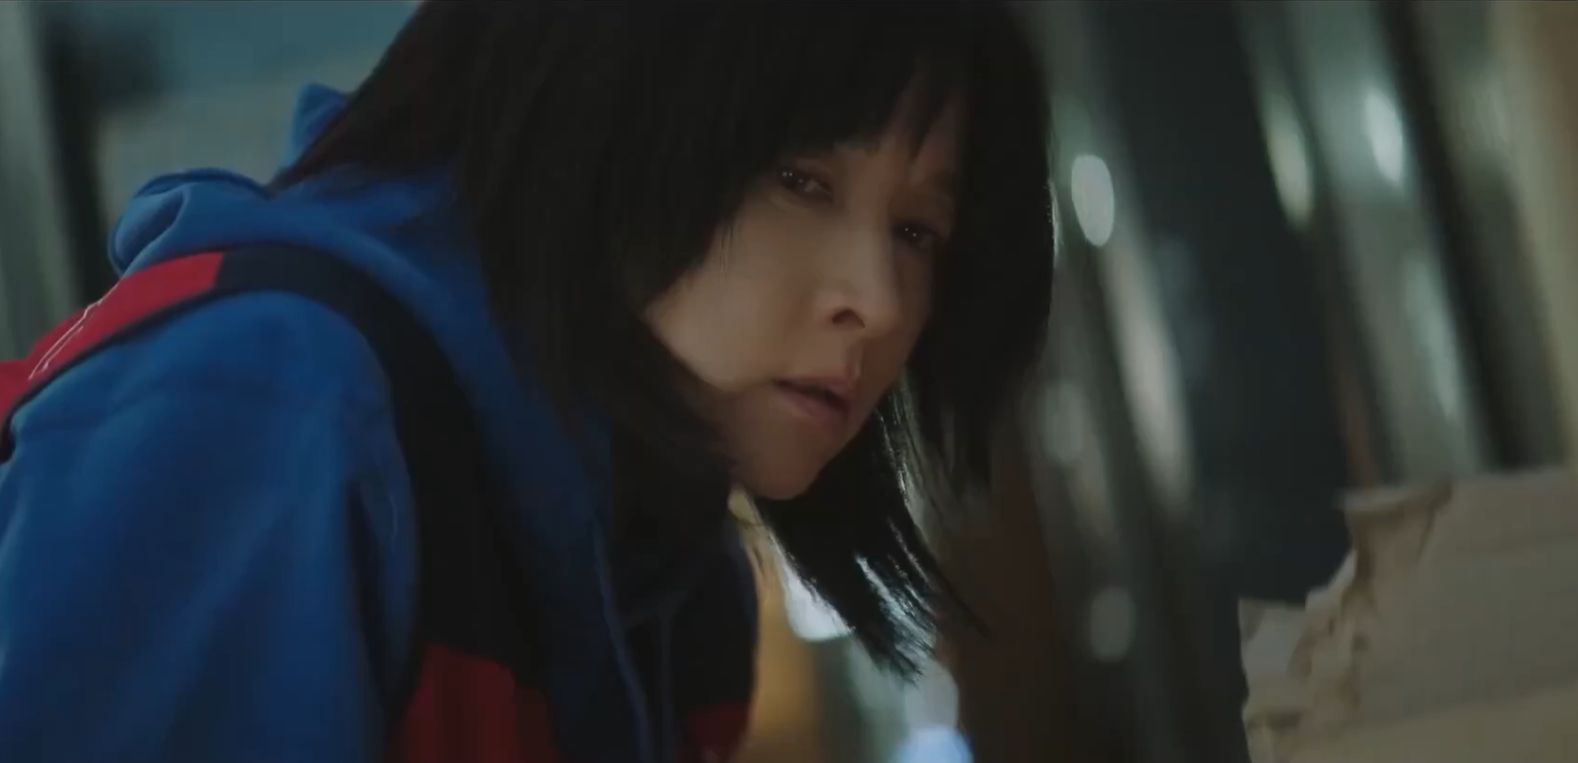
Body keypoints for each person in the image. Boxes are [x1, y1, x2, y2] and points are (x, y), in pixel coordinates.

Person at [0, 3, 1053, 762]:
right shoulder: (272, 415)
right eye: (802, 179)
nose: (880, 299)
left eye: (919, 230)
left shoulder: (687, 582)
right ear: (607, 102)